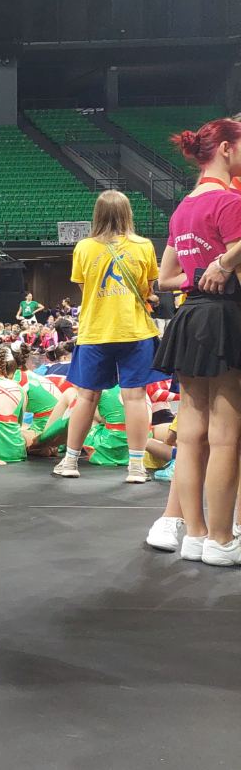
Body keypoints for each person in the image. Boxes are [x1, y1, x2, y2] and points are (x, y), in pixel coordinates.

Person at [149, 118, 241, 565]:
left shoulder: (183, 208)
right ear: (225, 148)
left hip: (188, 318)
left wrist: (201, 272)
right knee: (225, 437)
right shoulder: (229, 202)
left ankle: (196, 536)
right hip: (224, 318)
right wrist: (220, 267)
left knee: (189, 436)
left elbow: (165, 277)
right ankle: (222, 540)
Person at [51, 190, 165, 484]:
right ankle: (136, 467)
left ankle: (70, 461)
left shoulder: (84, 247)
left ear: (97, 215)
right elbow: (148, 290)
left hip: (96, 331)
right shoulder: (144, 246)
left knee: (87, 396)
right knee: (135, 397)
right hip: (134, 330)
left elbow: (84, 289)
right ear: (128, 214)